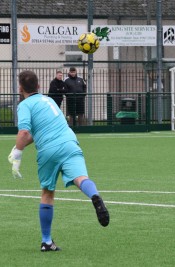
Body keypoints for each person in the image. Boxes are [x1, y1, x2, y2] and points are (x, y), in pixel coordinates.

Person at [8, 70, 109, 252]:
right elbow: (38, 132)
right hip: (70, 142)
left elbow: (24, 133)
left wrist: (17, 154)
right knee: (81, 178)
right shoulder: (48, 100)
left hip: (49, 150)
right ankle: (95, 196)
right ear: (39, 86)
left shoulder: (24, 105)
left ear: (20, 88)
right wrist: (19, 146)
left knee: (47, 192)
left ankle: (46, 241)